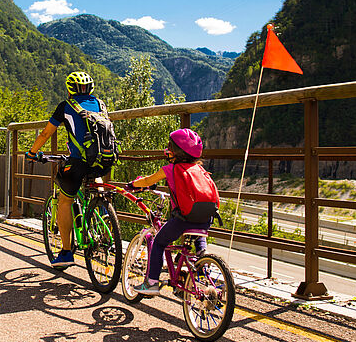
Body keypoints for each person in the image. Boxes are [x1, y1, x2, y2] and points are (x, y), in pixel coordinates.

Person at [25, 71, 111, 269]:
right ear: (91, 88)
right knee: (95, 176)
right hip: (103, 159)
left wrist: (32, 152)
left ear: (70, 88)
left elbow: (46, 133)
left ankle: (65, 253)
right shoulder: (101, 105)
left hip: (78, 161)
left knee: (65, 201)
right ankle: (102, 210)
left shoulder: (65, 106)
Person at [124, 128, 220, 295]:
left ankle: (152, 283)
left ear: (176, 151)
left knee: (160, 242)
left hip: (184, 218)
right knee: (198, 238)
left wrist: (133, 184)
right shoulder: (201, 170)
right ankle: (202, 266)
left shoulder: (171, 169)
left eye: (170, 146)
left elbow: (148, 180)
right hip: (206, 218)